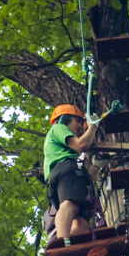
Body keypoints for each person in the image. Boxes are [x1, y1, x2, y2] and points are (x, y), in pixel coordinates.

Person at [43, 104, 99, 246]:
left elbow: (87, 179)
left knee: (80, 224)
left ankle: (75, 249)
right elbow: (82, 145)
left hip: (60, 177)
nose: (80, 126)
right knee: (71, 205)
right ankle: (63, 242)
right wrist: (93, 126)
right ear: (65, 119)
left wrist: (99, 165)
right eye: (77, 121)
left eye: (82, 123)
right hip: (65, 172)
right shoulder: (58, 128)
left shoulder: (64, 151)